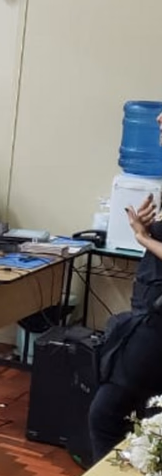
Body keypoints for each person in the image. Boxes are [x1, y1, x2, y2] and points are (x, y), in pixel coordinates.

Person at [89, 192, 162, 461]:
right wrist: (147, 230)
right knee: (145, 416)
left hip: (154, 326)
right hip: (146, 314)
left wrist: (143, 237)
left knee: (106, 416)